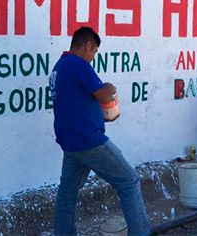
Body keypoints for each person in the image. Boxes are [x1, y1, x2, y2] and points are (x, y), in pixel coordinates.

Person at [49, 26, 150, 236]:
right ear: (88, 46)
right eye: (94, 51)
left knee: (67, 193)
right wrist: (110, 87)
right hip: (89, 140)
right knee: (129, 181)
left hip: (70, 142)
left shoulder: (60, 66)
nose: (93, 57)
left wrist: (98, 114)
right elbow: (103, 95)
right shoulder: (78, 64)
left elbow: (77, 102)